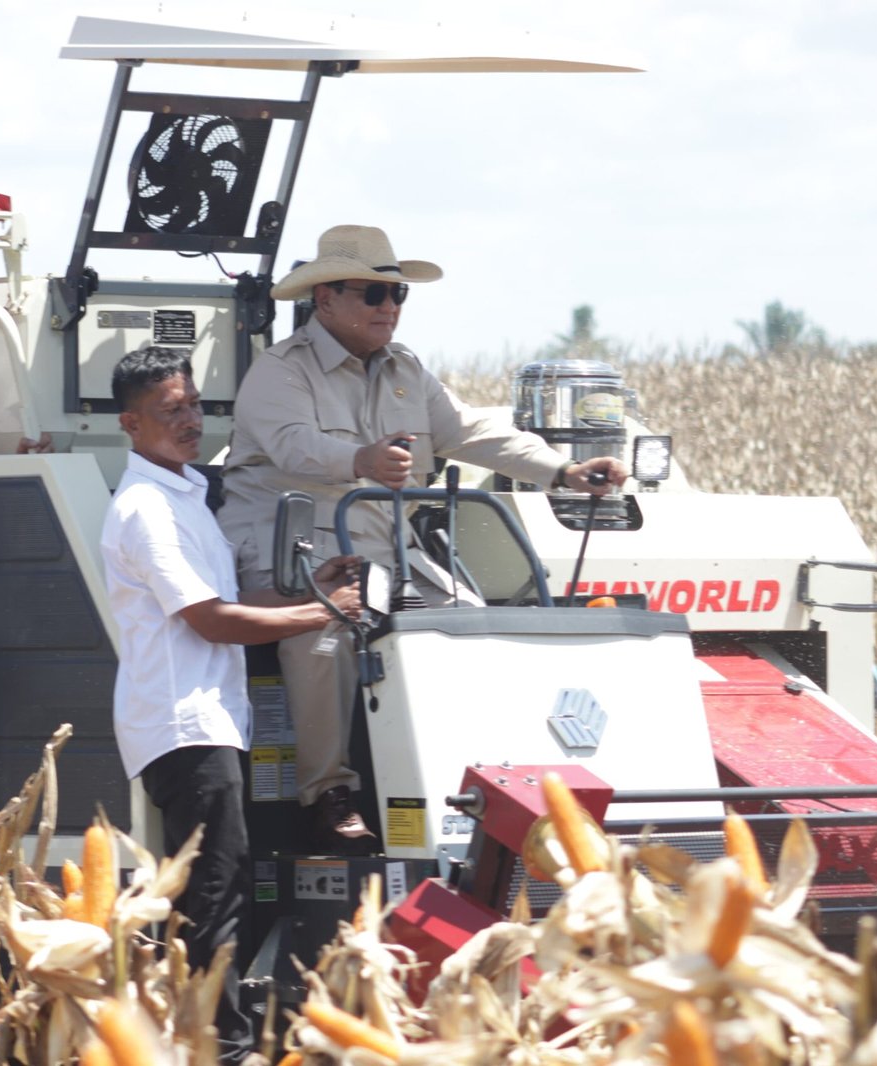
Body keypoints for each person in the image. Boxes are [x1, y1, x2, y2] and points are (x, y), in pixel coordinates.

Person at [217, 224, 630, 852]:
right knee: (321, 635)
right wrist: (361, 459)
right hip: (293, 545)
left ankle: (475, 783)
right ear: (325, 298)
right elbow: (293, 446)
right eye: (372, 294)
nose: (389, 307)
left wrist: (562, 471)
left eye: (397, 294)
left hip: (384, 548)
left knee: (467, 624)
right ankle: (329, 795)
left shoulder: (405, 369)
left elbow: (470, 431)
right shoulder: (280, 371)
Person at [100, 346, 362, 1055]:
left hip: (205, 721)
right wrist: (320, 613)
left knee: (217, 889)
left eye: (194, 404)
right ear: (130, 423)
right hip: (182, 724)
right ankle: (223, 1049)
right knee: (214, 898)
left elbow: (232, 600)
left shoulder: (185, 496)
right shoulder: (148, 509)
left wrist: (313, 590)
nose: (190, 420)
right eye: (170, 411)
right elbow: (210, 621)